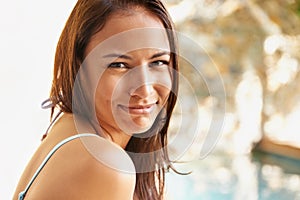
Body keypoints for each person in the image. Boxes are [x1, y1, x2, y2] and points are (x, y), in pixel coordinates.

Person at [13, 0, 179, 199]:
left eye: (158, 62)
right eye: (119, 65)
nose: (144, 89)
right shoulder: (105, 164)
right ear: (79, 66)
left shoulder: (67, 123)